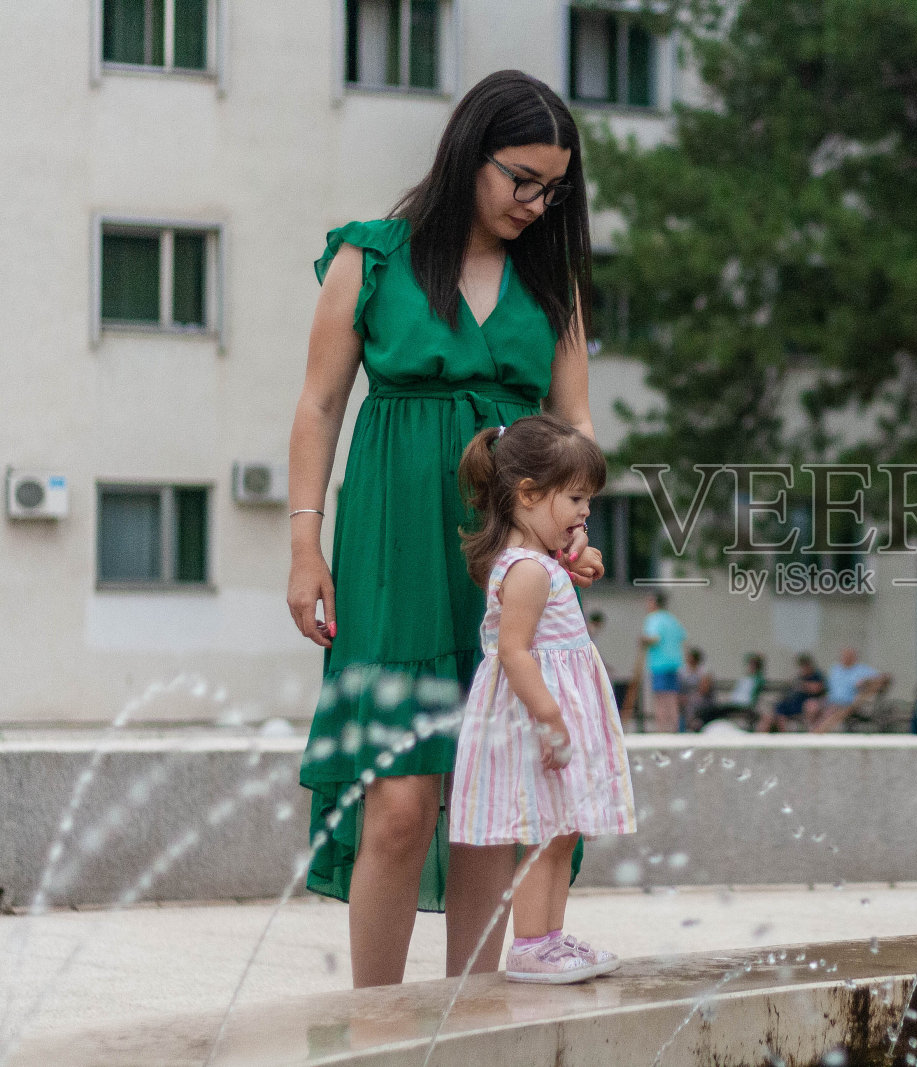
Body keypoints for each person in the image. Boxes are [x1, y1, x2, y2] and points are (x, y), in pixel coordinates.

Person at [285, 70, 605, 987]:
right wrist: (306, 542)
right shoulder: (371, 259)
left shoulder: (553, 288)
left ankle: (475, 1025)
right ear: (471, 154)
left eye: (555, 188)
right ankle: (374, 1030)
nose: (538, 204)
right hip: (391, 551)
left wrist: (573, 530)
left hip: (506, 562)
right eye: (523, 179)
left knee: (491, 796)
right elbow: (317, 407)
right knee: (398, 798)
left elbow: (575, 425)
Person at [449, 416, 635, 982]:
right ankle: (531, 945)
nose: (585, 512)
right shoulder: (528, 571)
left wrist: (574, 556)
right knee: (544, 834)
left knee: (561, 829)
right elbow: (513, 652)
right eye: (576, 498)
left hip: (550, 713)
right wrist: (551, 718)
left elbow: (564, 567)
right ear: (528, 494)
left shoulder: (539, 561)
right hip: (537, 717)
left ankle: (550, 939)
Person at [809, 646, 891, 733]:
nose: (845, 658)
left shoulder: (862, 670)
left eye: (848, 656)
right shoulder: (836, 669)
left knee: (829, 712)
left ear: (854, 657)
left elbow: (885, 678)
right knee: (811, 705)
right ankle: (810, 731)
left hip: (848, 704)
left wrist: (866, 682)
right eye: (843, 656)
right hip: (830, 700)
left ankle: (816, 734)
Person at [640, 592, 687, 732]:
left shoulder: (653, 618)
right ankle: (674, 728)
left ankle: (662, 730)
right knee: (671, 698)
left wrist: (643, 640)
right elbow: (682, 636)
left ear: (655, 603)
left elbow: (654, 638)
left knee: (660, 698)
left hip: (659, 664)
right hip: (674, 663)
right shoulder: (672, 619)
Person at [756, 653, 825, 733]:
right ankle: (783, 735)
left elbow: (817, 688)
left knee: (810, 706)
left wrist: (803, 685)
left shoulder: (816, 675)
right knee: (777, 711)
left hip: (804, 703)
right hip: (791, 702)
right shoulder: (799, 677)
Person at [701, 652, 765, 728]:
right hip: (735, 703)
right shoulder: (745, 679)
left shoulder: (757, 680)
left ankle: (702, 725)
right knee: (711, 710)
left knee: (715, 712)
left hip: (742, 705)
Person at [679, 647, 716, 731]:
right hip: (687, 697)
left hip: (703, 699)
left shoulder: (704, 671)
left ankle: (694, 725)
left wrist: (690, 697)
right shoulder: (683, 672)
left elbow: (704, 689)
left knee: (693, 702)